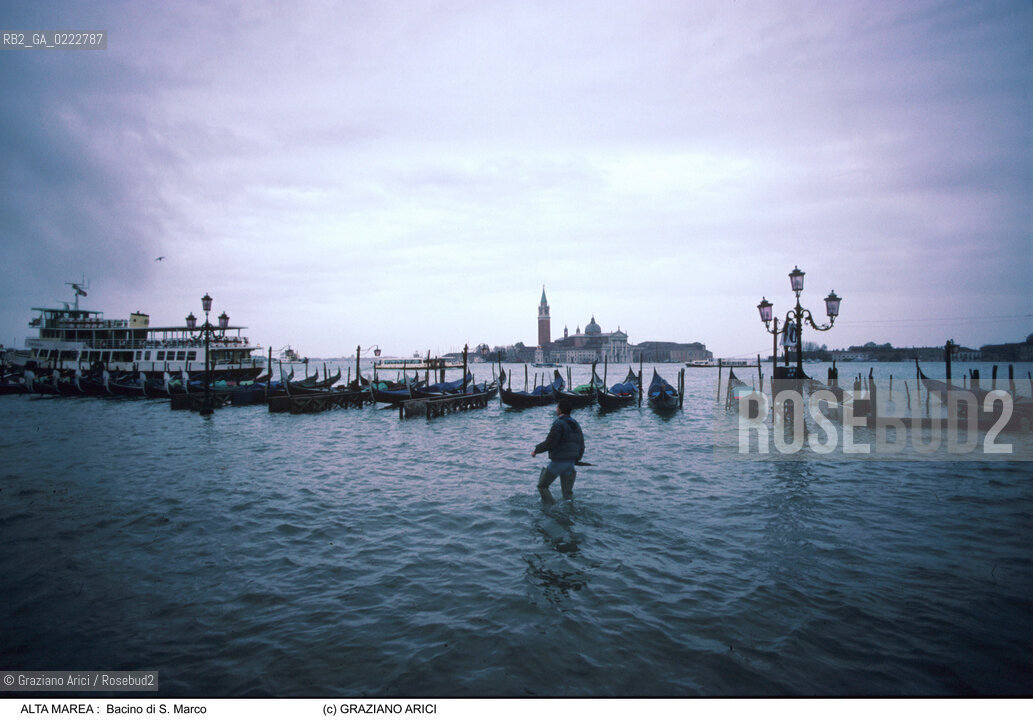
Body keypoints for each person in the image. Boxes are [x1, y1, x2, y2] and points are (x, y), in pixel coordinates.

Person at [531, 398, 585, 504]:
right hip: (571, 463)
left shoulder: (558, 424)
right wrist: (577, 459)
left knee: (542, 486)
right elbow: (581, 445)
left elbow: (550, 442)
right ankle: (569, 513)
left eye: (557, 407)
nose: (556, 409)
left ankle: (550, 508)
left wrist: (536, 450)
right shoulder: (576, 424)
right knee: (567, 495)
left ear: (560, 410)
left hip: (558, 462)